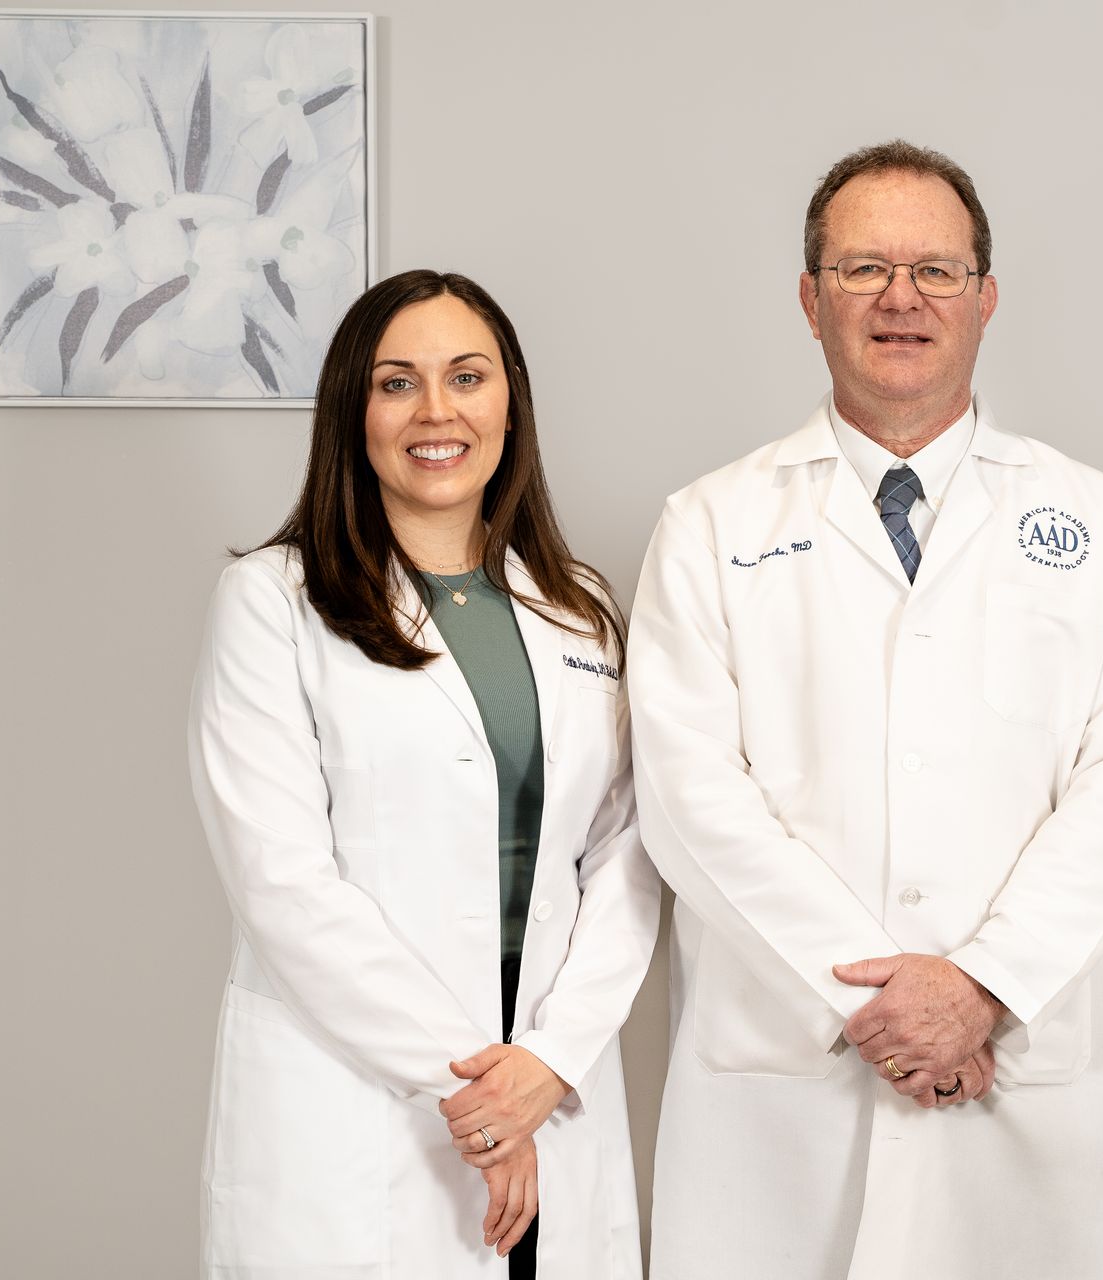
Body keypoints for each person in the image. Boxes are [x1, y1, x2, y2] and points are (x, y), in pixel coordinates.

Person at [627, 140, 1103, 1279]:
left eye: (935, 271)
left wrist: (979, 987)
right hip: (791, 1078)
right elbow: (689, 796)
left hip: (1027, 1061)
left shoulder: (1101, 524)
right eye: (861, 268)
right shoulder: (709, 522)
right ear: (807, 298)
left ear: (986, 299)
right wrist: (881, 999)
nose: (899, 298)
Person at [189, 269, 660, 1279]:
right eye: (397, 382)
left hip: (550, 1082)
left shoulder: (581, 612)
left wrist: (547, 1061)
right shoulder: (271, 603)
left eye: (468, 376)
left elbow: (627, 852)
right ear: (351, 412)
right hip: (360, 1099)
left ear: (510, 401)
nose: (437, 411)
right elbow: (282, 883)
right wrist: (477, 1093)